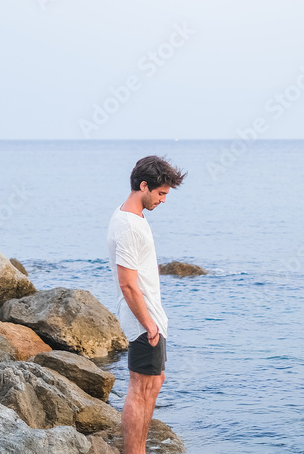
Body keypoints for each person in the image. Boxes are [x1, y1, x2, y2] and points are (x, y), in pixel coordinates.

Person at [106, 154, 187, 454]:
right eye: (161, 193)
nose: (164, 200)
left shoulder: (132, 217)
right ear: (144, 186)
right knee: (140, 389)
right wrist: (148, 323)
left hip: (150, 317)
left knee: (154, 382)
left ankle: (137, 449)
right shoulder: (128, 225)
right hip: (142, 320)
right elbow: (127, 283)